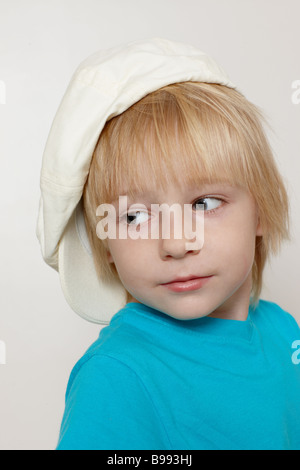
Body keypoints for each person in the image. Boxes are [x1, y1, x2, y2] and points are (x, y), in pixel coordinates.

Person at [37, 38, 300, 450]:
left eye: (205, 203)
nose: (176, 243)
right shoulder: (116, 377)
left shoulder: (284, 332)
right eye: (135, 216)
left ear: (260, 212)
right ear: (106, 243)